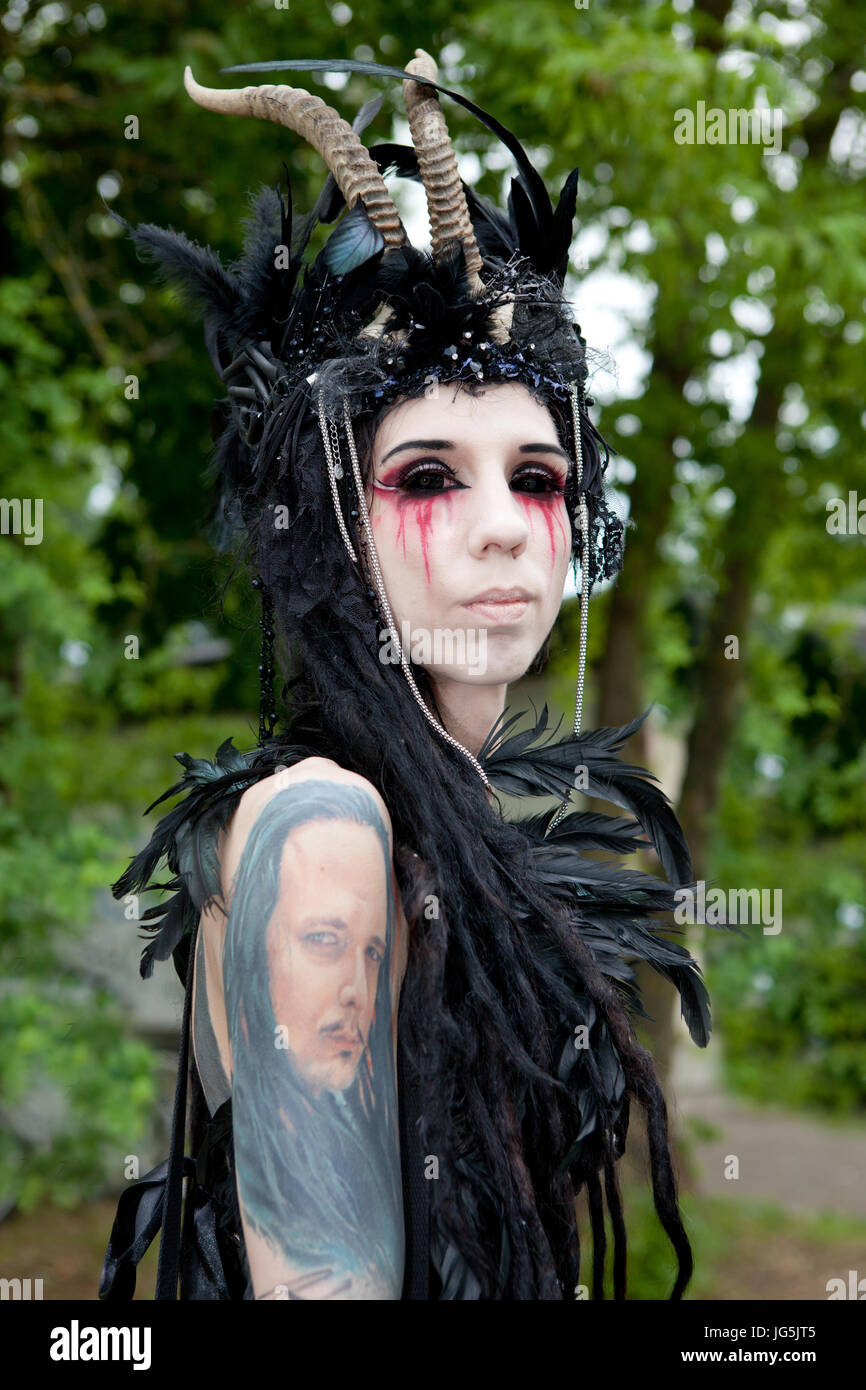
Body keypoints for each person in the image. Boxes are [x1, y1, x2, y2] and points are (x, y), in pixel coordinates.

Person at [100, 50, 715, 1302]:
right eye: (429, 475)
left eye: (536, 477)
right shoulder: (327, 829)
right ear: (333, 521)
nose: (502, 527)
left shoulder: (449, 816)